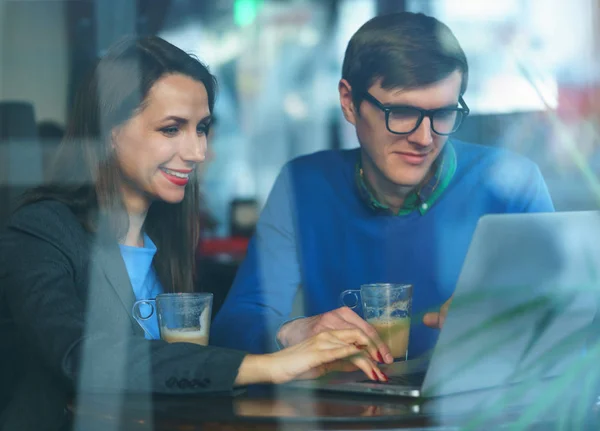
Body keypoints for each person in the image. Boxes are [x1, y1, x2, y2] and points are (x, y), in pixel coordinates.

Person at [0, 36, 386, 431]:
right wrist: (269, 365)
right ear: (109, 130)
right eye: (171, 129)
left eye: (201, 128)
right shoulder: (39, 231)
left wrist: (291, 335)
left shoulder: (168, 239)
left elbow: (191, 365)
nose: (198, 151)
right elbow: (82, 358)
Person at [210, 12, 555, 362]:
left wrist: (518, 316)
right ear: (349, 102)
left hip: (475, 411)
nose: (424, 138)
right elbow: (233, 328)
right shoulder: (304, 186)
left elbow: (571, 326)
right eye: (402, 112)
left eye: (443, 114)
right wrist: (293, 331)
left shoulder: (511, 185)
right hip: (344, 411)